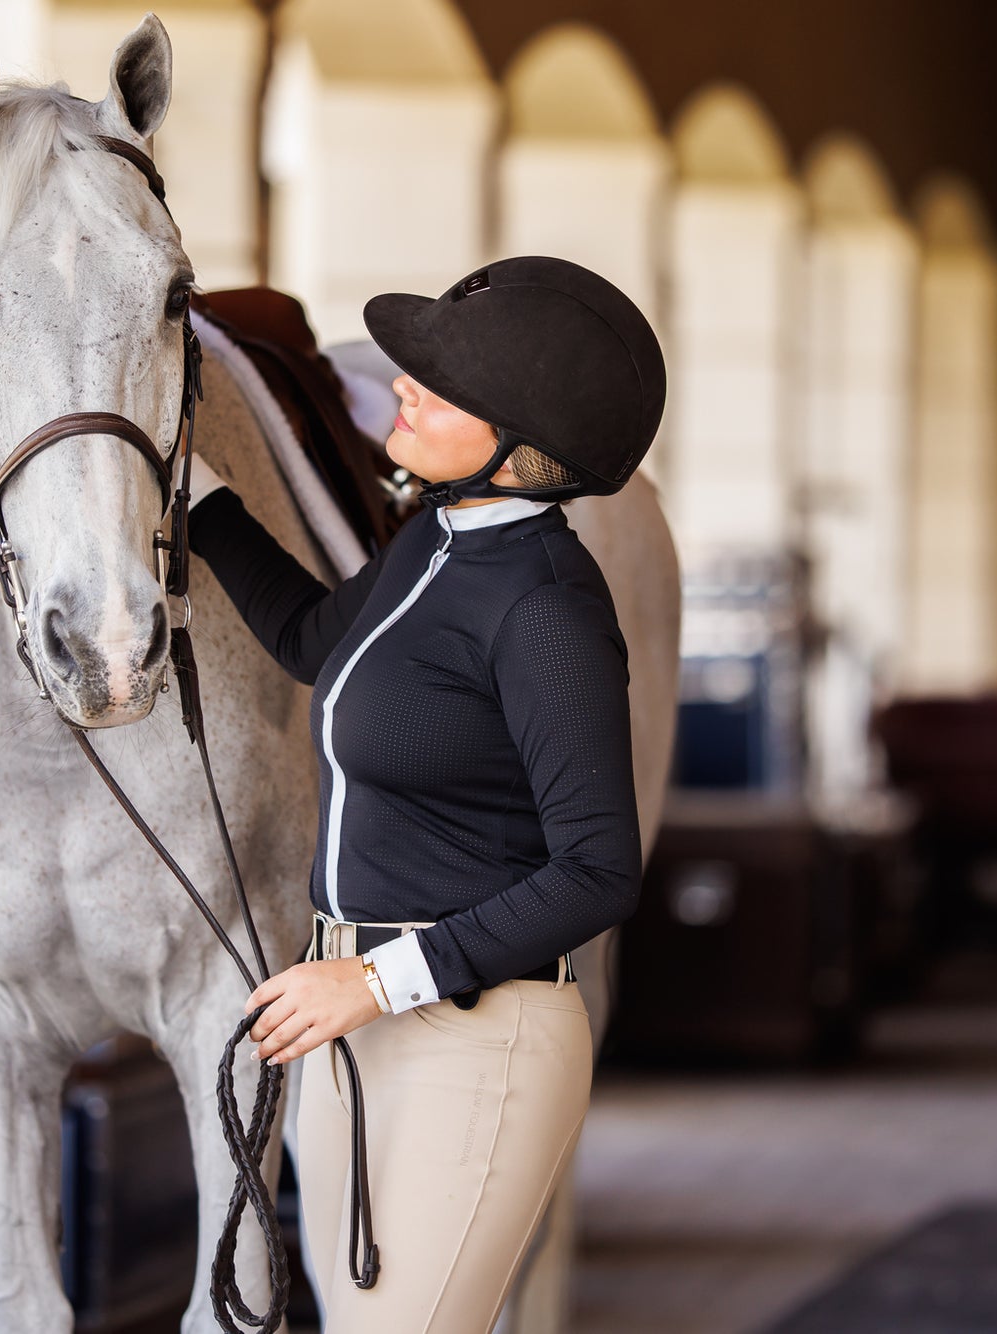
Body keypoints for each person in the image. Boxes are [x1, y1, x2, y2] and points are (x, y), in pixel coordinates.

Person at [183, 256, 664, 1332]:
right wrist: (194, 492)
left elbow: (597, 868)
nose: (399, 380)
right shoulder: (431, 543)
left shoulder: (545, 608)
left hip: (472, 1038)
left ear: (519, 445)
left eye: (440, 382)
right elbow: (314, 638)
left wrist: (375, 979)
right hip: (356, 1021)